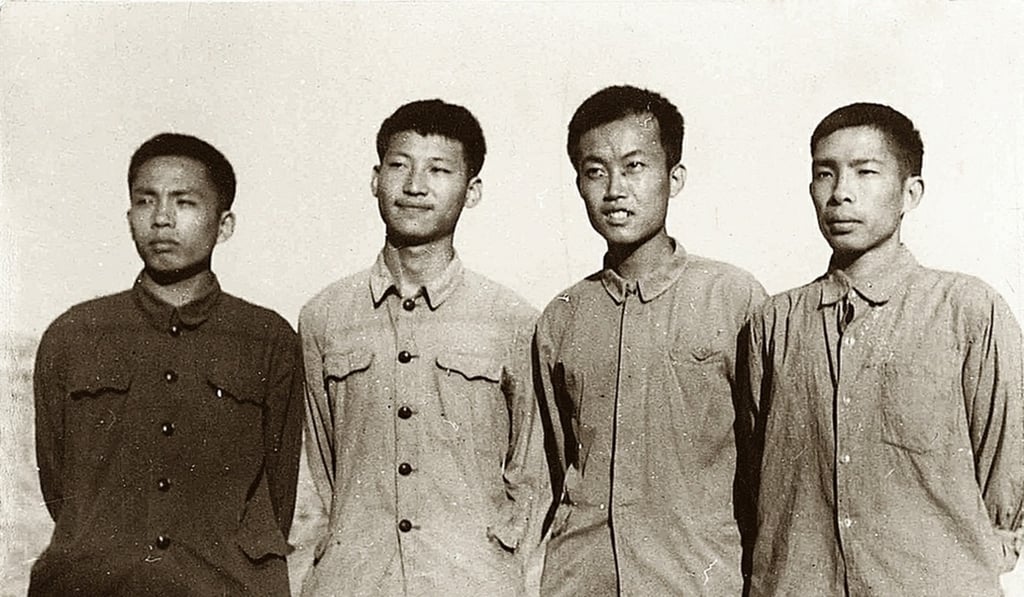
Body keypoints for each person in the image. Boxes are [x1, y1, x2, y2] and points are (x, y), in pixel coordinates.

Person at [745, 102, 1024, 596]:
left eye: (865, 172)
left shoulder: (966, 310)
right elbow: (752, 474)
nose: (840, 193)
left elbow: (1005, 463)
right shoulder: (775, 322)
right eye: (824, 174)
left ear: (909, 193)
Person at [31, 133, 304, 595]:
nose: (161, 219)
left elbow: (279, 494)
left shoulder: (268, 340)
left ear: (225, 224)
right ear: (129, 217)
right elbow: (59, 486)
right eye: (145, 201)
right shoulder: (74, 335)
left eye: (185, 202)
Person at [299, 99, 545, 596]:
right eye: (399, 166)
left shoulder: (514, 321)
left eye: (438, 170)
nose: (414, 186)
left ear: (471, 190)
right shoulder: (324, 317)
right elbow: (313, 477)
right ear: (375, 179)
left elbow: (532, 484)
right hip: (353, 584)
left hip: (474, 584)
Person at [533, 84, 766, 596]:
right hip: (581, 579)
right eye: (595, 171)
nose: (614, 189)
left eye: (634, 166)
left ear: (674, 177)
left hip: (696, 579)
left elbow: (764, 464)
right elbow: (553, 465)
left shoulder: (733, 298)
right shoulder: (562, 318)